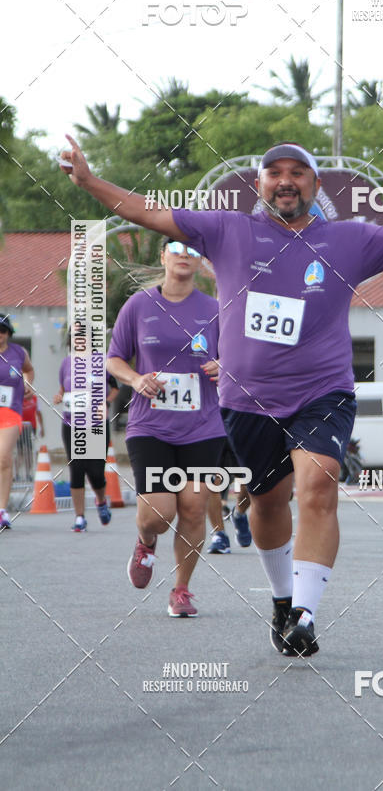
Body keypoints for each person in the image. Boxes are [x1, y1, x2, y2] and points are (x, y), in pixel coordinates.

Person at [61, 135, 383, 654]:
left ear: (315, 185)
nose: (286, 180)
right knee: (267, 503)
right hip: (246, 400)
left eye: (298, 172)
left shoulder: (348, 240)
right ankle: (281, 601)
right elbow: (150, 214)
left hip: (323, 392)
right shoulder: (228, 230)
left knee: (318, 485)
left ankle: (305, 612)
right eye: (276, 172)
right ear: (260, 184)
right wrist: (90, 182)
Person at [106, 237, 227, 617]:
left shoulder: (216, 309)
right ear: (163, 256)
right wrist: (136, 379)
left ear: (200, 261)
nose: (185, 256)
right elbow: (113, 359)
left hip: (204, 426)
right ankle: (145, 542)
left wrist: (227, 367)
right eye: (176, 248)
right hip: (151, 426)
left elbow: (243, 358)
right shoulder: (139, 306)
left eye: (193, 250)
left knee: (193, 509)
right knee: (159, 515)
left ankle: (181, 590)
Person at [54, 335, 119, 531]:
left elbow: (115, 388)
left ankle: (101, 501)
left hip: (96, 423)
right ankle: (80, 517)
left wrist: (105, 402)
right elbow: (63, 389)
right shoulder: (66, 363)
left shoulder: (103, 361)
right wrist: (59, 396)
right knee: (76, 468)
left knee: (96, 472)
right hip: (72, 423)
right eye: (75, 337)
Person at [0, 314, 35, 529]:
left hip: (10, 411)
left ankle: (2, 510)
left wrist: (28, 384)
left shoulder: (19, 353)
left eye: (3, 331)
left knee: (3, 457)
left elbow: (29, 370)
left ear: (9, 333)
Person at [207, 440, 252, 553]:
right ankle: (219, 535)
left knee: (250, 485)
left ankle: (238, 514)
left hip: (240, 427)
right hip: (212, 428)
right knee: (211, 480)